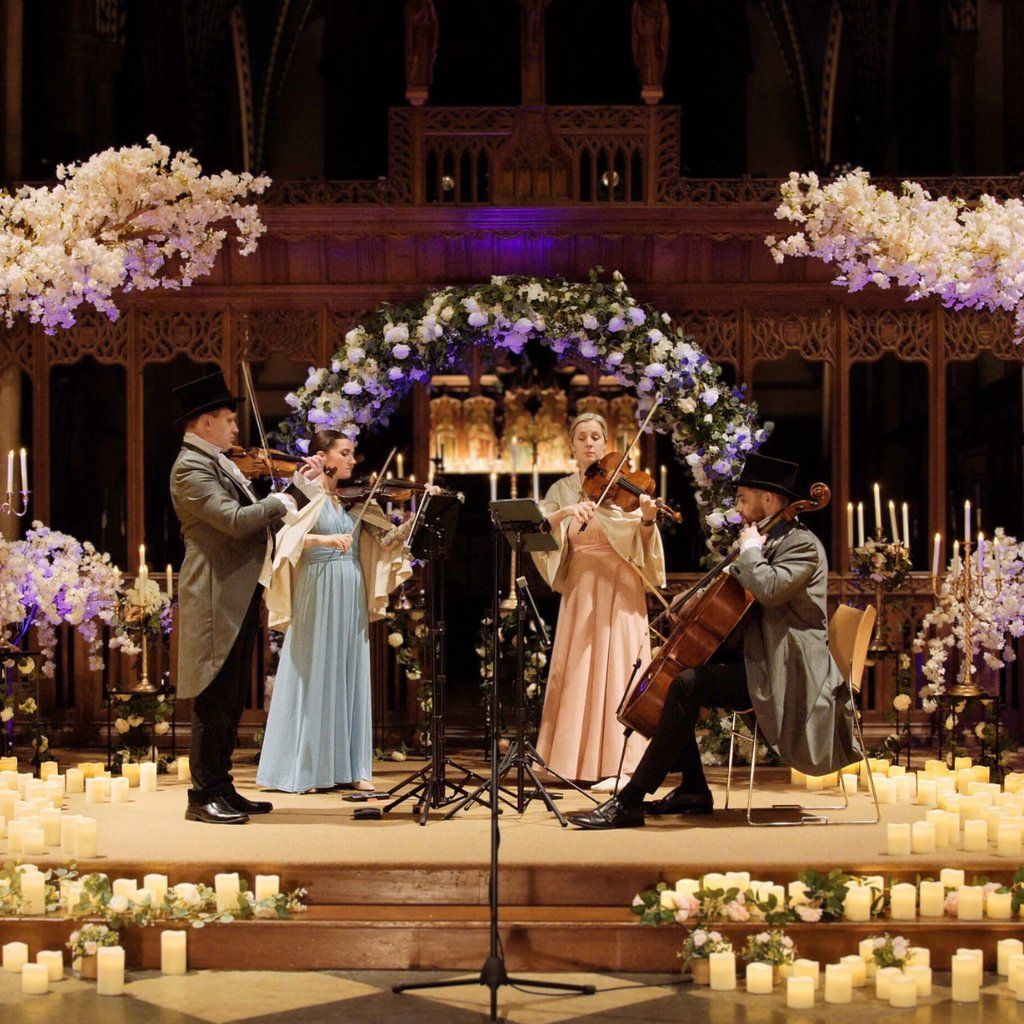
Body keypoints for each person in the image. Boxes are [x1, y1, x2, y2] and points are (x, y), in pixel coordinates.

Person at [567, 453, 859, 829]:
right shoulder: (769, 538)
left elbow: (769, 589)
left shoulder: (801, 545)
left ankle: (631, 800)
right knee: (681, 680)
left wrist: (750, 550)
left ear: (769, 499)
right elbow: (737, 588)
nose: (737, 507)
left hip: (787, 670)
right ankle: (691, 789)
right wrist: (693, 599)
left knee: (686, 684)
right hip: (763, 657)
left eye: (742, 498)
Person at [170, 371, 320, 825]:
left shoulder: (216, 461)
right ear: (205, 422)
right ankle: (202, 795)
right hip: (214, 593)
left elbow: (255, 520)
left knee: (231, 697)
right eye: (229, 420)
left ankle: (221, 785)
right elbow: (235, 521)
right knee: (214, 697)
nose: (236, 429)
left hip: (237, 590)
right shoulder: (190, 468)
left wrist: (294, 496)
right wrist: (284, 499)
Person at [256, 430, 416, 794]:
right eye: (344, 453)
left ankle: (352, 767)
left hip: (350, 588)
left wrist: (416, 518)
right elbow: (281, 539)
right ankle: (306, 769)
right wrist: (323, 539)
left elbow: (387, 541)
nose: (352, 460)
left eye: (352, 453)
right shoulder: (303, 494)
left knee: (348, 671)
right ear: (322, 455)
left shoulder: (355, 501)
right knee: (313, 670)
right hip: (316, 586)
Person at [531, 412, 666, 785]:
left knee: (622, 666)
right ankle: (573, 762)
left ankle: (624, 764)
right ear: (572, 446)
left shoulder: (626, 488)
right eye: (582, 437)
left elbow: (643, 544)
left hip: (622, 588)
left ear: (606, 444)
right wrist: (566, 512)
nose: (589, 443)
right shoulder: (561, 490)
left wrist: (648, 519)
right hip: (582, 589)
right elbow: (539, 533)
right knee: (579, 668)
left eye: (595, 437)